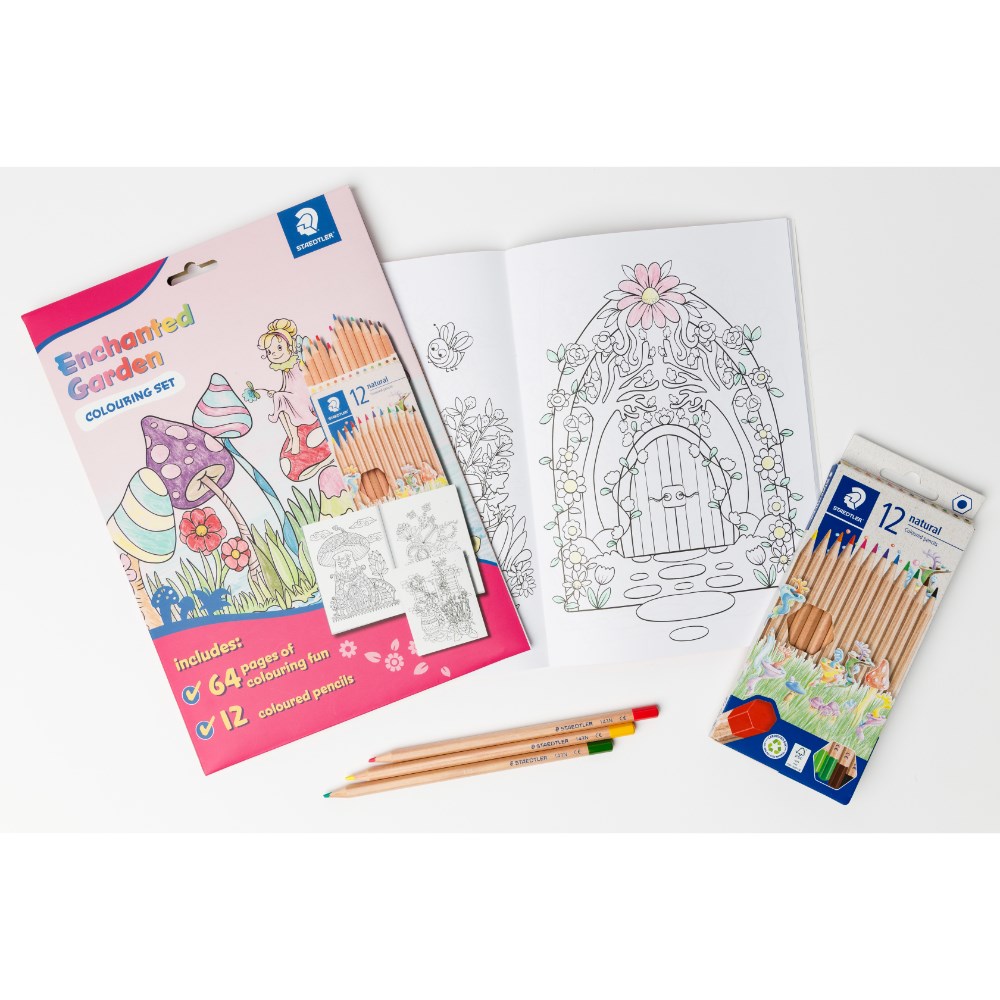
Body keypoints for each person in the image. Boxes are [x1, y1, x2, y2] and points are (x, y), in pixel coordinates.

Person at [256, 318, 330, 481]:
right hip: (293, 397)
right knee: (280, 399)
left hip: (304, 398)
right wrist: (277, 393)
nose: (274, 354)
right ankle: (293, 436)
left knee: (280, 398)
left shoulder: (297, 362)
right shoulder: (284, 368)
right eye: (269, 352)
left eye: (279, 348)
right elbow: (286, 385)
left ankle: (294, 437)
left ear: (290, 346)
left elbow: (304, 378)